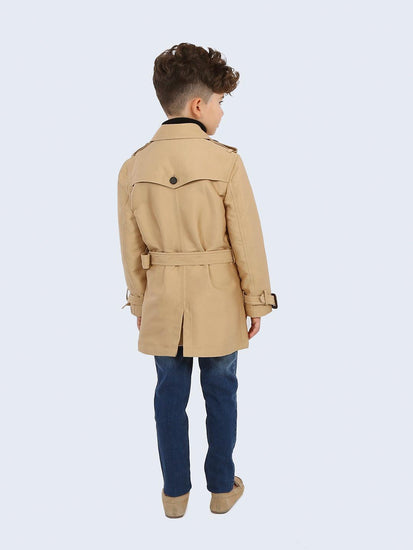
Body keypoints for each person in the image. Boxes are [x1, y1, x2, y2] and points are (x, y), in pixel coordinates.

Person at [117, 42, 278, 518]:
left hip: (163, 301)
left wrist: (140, 303)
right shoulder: (225, 161)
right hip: (219, 299)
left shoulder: (133, 167)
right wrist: (257, 302)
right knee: (221, 391)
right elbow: (246, 238)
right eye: (220, 102)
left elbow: (130, 247)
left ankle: (174, 496)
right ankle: (222, 490)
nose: (222, 111)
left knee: (168, 394)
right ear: (197, 106)